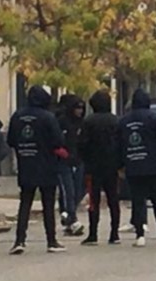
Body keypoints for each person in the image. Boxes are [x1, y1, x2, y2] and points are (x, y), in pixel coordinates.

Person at [7, 86, 66, 255]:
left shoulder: (17, 116)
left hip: (26, 164)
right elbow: (58, 140)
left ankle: (19, 240)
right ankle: (51, 240)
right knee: (48, 204)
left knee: (25, 202)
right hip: (46, 165)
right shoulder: (48, 117)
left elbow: (11, 140)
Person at [118, 89, 156, 248]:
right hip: (154, 164)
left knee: (138, 200)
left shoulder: (124, 121)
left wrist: (120, 164)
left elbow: (119, 144)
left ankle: (140, 235)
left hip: (133, 164)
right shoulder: (155, 118)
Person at [78, 90, 121, 246]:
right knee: (113, 199)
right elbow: (120, 143)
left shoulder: (88, 122)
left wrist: (85, 159)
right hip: (112, 166)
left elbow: (82, 144)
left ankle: (93, 234)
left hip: (93, 166)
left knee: (94, 201)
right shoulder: (115, 121)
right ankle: (114, 233)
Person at [57, 95, 86, 237]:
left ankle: (68, 215)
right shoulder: (62, 121)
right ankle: (72, 218)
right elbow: (56, 141)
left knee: (79, 190)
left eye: (81, 108)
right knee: (68, 190)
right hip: (64, 161)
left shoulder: (82, 123)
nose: (79, 111)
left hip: (79, 160)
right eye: (77, 108)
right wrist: (64, 154)